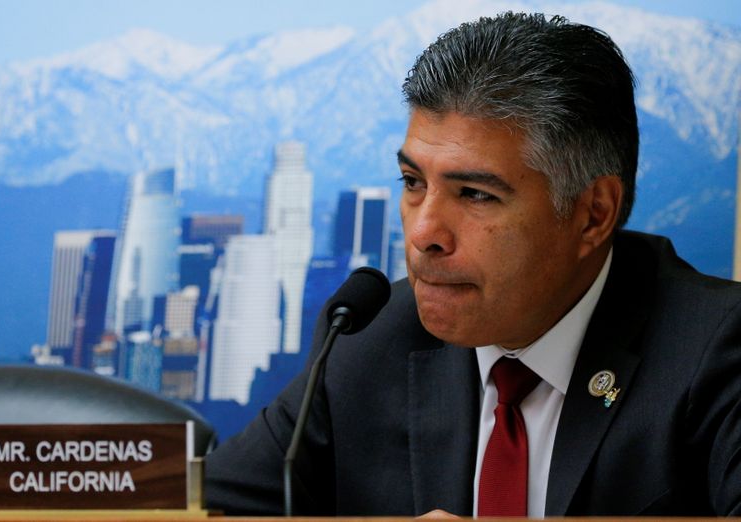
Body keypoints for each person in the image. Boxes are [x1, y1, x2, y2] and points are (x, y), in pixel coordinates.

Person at [203, 12, 741, 516]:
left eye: (476, 194)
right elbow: (194, 510)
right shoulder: (368, 340)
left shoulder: (716, 350)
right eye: (413, 183)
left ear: (593, 214)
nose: (422, 233)